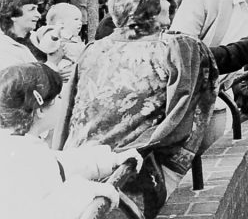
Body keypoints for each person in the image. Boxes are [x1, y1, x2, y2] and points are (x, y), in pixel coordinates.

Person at [64, 0, 220, 218]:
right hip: (130, 177)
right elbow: (186, 115)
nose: (169, 4)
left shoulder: (91, 50)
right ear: (152, 5)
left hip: (76, 169)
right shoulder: (178, 50)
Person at [0, 63, 142, 219]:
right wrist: (88, 190)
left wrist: (111, 159)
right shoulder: (22, 159)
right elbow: (43, 213)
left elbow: (62, 164)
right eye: (58, 98)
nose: (62, 102)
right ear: (40, 110)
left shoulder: (18, 146)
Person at [0, 0, 45, 68]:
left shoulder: (36, 39)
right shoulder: (5, 48)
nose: (38, 15)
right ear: (13, 15)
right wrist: (53, 63)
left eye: (37, 9)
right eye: (32, 9)